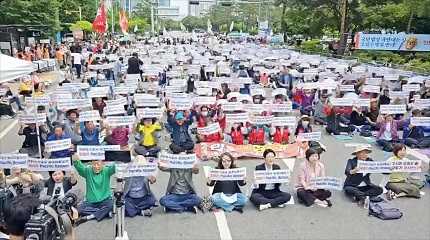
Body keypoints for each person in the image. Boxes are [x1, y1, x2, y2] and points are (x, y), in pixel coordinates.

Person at [73, 153, 115, 224]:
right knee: (78, 209)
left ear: (102, 164)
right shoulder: (87, 170)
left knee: (112, 205)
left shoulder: (107, 170)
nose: (96, 166)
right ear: (91, 164)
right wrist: (74, 155)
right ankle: (102, 213)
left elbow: (116, 166)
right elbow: (78, 165)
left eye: (98, 164)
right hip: (90, 201)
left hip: (105, 200)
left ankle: (89, 217)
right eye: (94, 164)